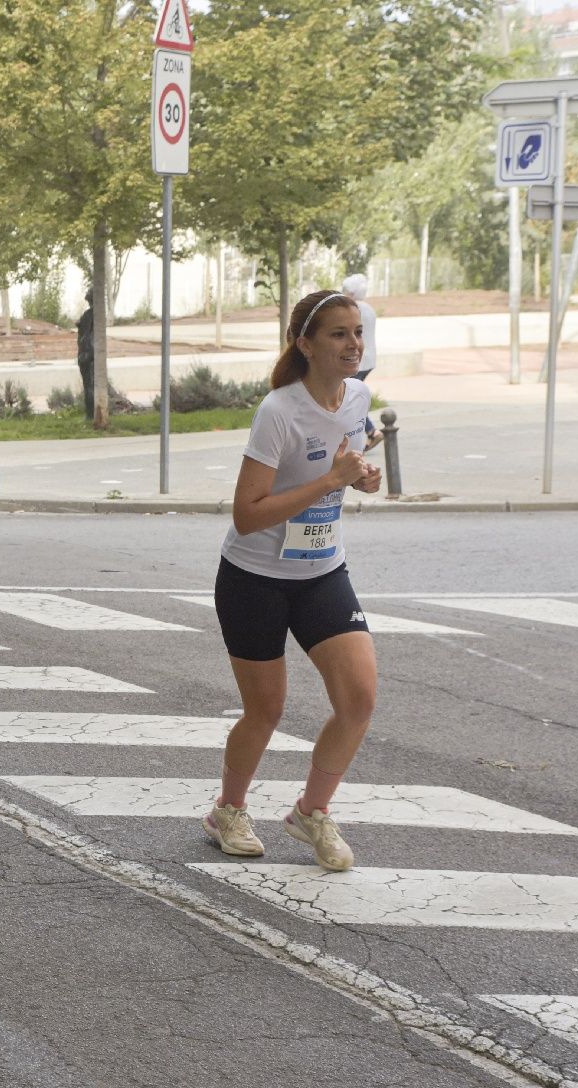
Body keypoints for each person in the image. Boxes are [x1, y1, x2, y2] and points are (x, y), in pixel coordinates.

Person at [202, 289, 381, 874]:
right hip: (254, 577)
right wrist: (331, 479)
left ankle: (312, 811)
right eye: (338, 334)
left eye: (357, 332)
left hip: (322, 570)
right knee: (266, 710)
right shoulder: (279, 410)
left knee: (358, 698)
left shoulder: (359, 396)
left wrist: (359, 479)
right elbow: (248, 513)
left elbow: (343, 467)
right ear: (305, 344)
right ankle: (228, 809)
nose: (353, 343)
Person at [75, 291, 96, 420]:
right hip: (90, 353)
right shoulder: (96, 314)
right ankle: (91, 413)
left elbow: (84, 335)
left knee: (89, 385)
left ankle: (90, 414)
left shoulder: (89, 314)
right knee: (91, 385)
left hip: (86, 353)